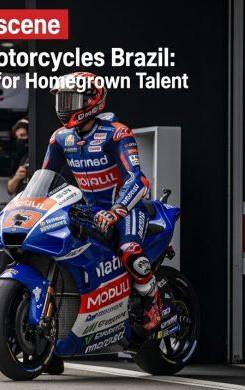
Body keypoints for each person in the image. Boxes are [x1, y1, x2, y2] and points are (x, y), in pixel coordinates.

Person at [42, 72, 161, 335]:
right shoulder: (60, 138)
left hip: (125, 208)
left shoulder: (117, 133)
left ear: (92, 100)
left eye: (71, 100)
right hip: (89, 210)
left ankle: (152, 299)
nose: (65, 107)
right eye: (62, 100)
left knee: (130, 250)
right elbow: (45, 179)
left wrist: (117, 210)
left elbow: (137, 179)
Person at [7, 118, 31, 195]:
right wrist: (17, 177)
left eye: (23, 135)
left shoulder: (44, 155)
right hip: (21, 202)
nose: (19, 139)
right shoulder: (21, 158)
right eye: (17, 137)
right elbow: (10, 190)